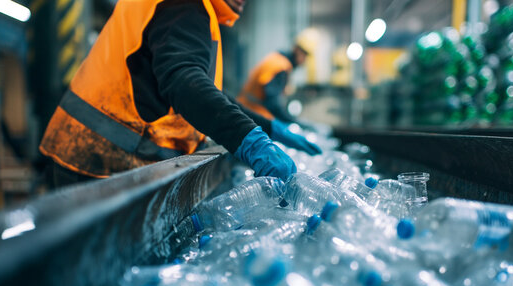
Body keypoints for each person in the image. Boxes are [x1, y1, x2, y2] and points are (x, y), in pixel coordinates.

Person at [39, 0, 320, 187]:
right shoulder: (186, 5)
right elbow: (184, 82)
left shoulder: (194, 11)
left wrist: (267, 128)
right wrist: (248, 140)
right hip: (102, 160)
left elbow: (203, 89)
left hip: (96, 151)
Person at [237, 29, 318, 132]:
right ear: (297, 50)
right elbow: (272, 103)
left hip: (246, 112)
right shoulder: (281, 66)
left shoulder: (278, 60)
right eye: (305, 55)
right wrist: (294, 122)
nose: (304, 61)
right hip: (253, 116)